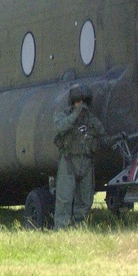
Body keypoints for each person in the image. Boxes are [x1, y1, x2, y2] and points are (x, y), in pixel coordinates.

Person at [53, 84, 106, 229]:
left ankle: (79, 227)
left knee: (85, 199)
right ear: (73, 102)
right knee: (64, 198)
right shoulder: (64, 115)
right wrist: (75, 115)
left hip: (86, 162)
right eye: (78, 102)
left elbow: (101, 134)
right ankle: (61, 228)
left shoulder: (91, 120)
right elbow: (59, 127)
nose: (81, 105)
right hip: (69, 161)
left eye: (83, 103)